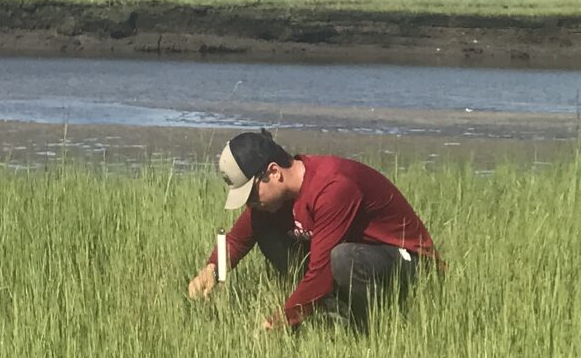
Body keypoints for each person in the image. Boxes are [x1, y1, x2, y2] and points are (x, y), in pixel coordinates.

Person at [185, 130, 436, 331]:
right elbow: (237, 238)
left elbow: (322, 272)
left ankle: (378, 329)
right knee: (267, 232)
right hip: (357, 261)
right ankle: (335, 316)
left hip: (410, 263)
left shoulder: (332, 187)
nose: (251, 204)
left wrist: (276, 324)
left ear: (273, 172)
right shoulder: (276, 200)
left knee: (342, 257)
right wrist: (212, 269)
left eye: (251, 194)